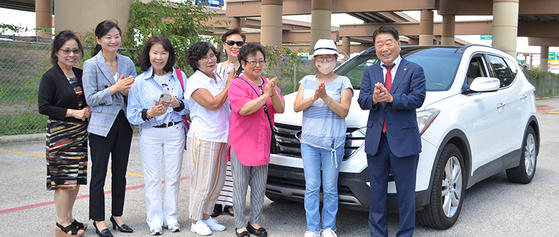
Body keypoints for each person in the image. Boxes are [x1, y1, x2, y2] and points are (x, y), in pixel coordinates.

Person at [357, 25, 426, 237]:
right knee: (377, 193)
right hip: (376, 141)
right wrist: (374, 99)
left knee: (406, 193)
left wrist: (392, 98)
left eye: (388, 42)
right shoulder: (370, 71)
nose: (384, 48)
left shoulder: (414, 69)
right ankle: (378, 234)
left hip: (404, 141)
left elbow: (418, 98)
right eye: (379, 44)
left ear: (398, 44)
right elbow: (362, 100)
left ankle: (405, 234)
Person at [126, 35, 189, 235]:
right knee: (152, 179)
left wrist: (178, 104)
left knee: (173, 177)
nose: (159, 57)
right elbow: (132, 114)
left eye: (163, 52)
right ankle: (154, 221)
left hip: (175, 130)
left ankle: (171, 218)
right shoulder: (140, 81)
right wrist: (149, 113)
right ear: (148, 55)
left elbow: (190, 106)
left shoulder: (180, 77)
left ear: (169, 55)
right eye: (155, 52)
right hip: (150, 133)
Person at [82, 20, 137, 237]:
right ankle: (98, 219)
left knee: (121, 173)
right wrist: (115, 89)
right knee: (98, 175)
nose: (113, 41)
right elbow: (91, 99)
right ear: (98, 40)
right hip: (100, 126)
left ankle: (118, 216)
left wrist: (126, 92)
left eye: (116, 36)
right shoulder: (91, 65)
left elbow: (134, 93)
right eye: (108, 37)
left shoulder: (127, 62)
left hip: (123, 123)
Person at [293, 39, 353, 237]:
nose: (324, 61)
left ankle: (328, 227)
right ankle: (312, 228)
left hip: (333, 144)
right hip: (309, 142)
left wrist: (326, 97)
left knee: (329, 187)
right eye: (320, 58)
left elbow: (343, 111)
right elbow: (296, 106)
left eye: (328, 57)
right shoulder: (307, 80)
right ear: (315, 60)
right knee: (311, 187)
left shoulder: (344, 81)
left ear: (336, 59)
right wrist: (314, 97)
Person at [228, 42, 285, 237]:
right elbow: (244, 109)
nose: (258, 65)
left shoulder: (268, 83)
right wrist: (266, 94)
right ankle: (240, 223)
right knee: (240, 185)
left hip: (262, 142)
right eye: (253, 61)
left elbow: (280, 108)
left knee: (260, 185)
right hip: (241, 142)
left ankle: (256, 221)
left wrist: (273, 92)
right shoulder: (237, 84)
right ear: (243, 63)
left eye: (261, 61)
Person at [38, 30, 91, 237]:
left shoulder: (79, 74)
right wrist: (74, 113)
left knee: (75, 178)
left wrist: (87, 109)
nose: (71, 54)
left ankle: (69, 218)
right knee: (62, 180)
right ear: (56, 52)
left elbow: (87, 98)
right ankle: (61, 224)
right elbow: (44, 107)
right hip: (61, 135)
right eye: (66, 50)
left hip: (79, 133)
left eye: (75, 50)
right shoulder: (50, 77)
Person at [184, 41, 235, 236]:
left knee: (217, 181)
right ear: (196, 62)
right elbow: (213, 103)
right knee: (203, 182)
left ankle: (206, 216)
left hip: (222, 136)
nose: (210, 60)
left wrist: (227, 82)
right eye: (204, 57)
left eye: (212, 55)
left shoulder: (217, 78)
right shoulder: (195, 81)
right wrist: (229, 84)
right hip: (204, 137)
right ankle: (196, 220)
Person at [212, 27, 246, 218]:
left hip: (239, 122)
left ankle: (232, 202)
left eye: (239, 43)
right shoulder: (215, 68)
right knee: (218, 162)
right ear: (224, 45)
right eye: (231, 43)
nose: (235, 46)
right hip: (218, 120)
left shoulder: (247, 69)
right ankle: (216, 201)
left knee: (235, 164)